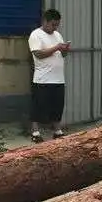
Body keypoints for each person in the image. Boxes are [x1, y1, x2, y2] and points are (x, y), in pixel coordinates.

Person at [28, 8, 70, 143]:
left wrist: (64, 50)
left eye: (57, 24)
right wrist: (57, 47)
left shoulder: (57, 35)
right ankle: (35, 131)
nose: (55, 27)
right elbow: (38, 54)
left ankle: (57, 130)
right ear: (45, 21)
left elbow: (63, 55)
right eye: (52, 24)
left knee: (57, 106)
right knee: (39, 106)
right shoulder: (36, 35)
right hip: (42, 79)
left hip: (58, 78)